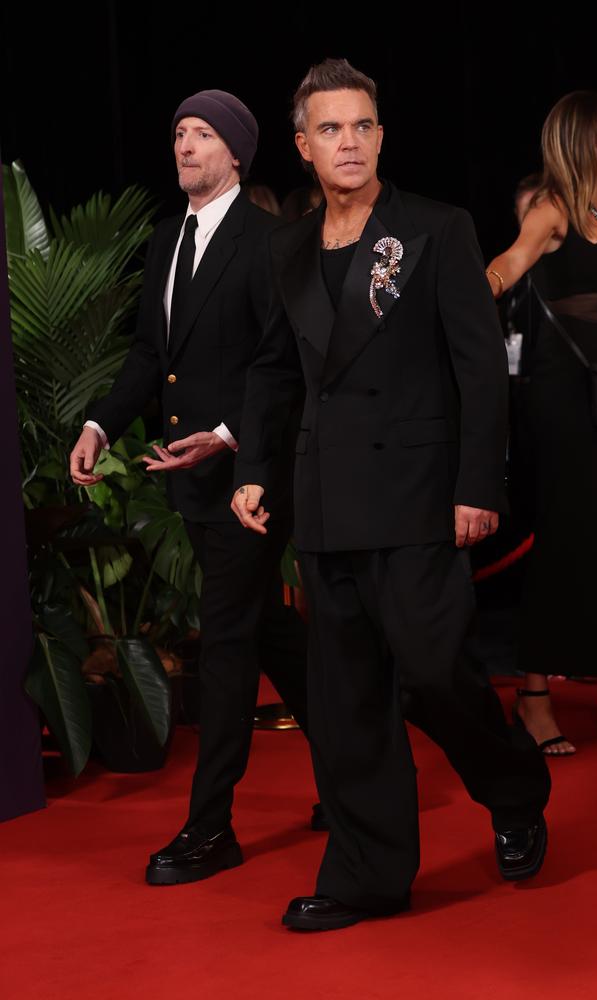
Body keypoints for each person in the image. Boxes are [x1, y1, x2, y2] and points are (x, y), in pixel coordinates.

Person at [231, 58, 551, 932]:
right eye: (330, 128)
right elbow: (272, 370)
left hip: (417, 499)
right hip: (327, 503)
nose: (349, 142)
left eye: (363, 126)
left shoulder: (436, 230)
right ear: (303, 146)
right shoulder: (285, 248)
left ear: (381, 136)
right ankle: (368, 875)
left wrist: (477, 484)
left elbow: (480, 371)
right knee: (346, 702)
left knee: (436, 677)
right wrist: (256, 468)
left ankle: (516, 791)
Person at [69, 88, 317, 886]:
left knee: (232, 643)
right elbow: (149, 355)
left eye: (203, 134)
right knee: (272, 635)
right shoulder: (167, 237)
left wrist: (231, 439)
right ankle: (371, 763)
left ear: (237, 152)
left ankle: (212, 828)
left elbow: (284, 370)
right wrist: (100, 425)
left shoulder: (269, 241)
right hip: (193, 483)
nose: (185, 145)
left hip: (248, 478)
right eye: (178, 132)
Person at [486, 91, 597, 755]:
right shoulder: (553, 208)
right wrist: (462, 297)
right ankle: (532, 699)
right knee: (561, 543)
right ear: (588, 138)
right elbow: (508, 266)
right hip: (565, 403)